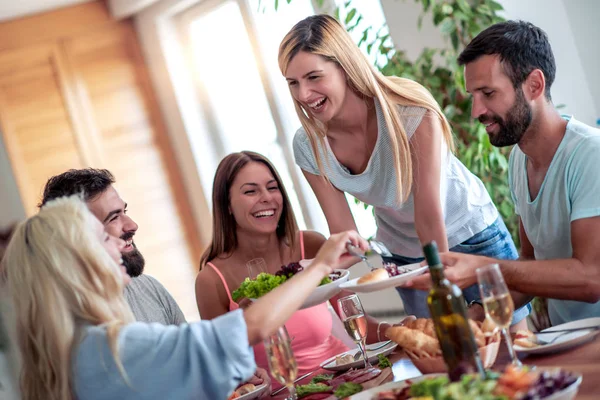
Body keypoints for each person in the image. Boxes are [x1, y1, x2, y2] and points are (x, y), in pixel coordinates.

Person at [278, 14, 529, 325]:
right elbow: (345, 236)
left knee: (510, 351)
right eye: (293, 83)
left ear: (345, 67)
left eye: (314, 77)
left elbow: (427, 214)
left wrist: (442, 291)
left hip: (469, 235)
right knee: (438, 362)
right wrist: (365, 309)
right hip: (401, 255)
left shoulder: (408, 110)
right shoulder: (308, 145)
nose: (303, 94)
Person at [1, 195, 366, 400]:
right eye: (103, 237)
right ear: (78, 264)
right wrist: (319, 266)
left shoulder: (70, 352)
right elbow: (252, 327)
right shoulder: (114, 349)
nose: (118, 243)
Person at [406, 20, 600, 326]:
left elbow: (592, 279)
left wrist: (485, 268)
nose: (476, 111)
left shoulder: (591, 155)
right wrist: (474, 317)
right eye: (474, 96)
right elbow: (530, 263)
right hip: (567, 336)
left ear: (534, 85)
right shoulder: (519, 161)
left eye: (488, 93)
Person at [195, 151, 400, 388]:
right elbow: (221, 367)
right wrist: (243, 327)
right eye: (250, 191)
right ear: (226, 205)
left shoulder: (311, 245)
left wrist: (397, 331)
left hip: (346, 382)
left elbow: (352, 317)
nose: (266, 198)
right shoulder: (211, 280)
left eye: (272, 188)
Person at [40, 168, 186, 325]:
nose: (132, 225)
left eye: (125, 211)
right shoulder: (67, 323)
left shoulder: (149, 288)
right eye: (114, 218)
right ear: (77, 237)